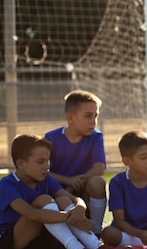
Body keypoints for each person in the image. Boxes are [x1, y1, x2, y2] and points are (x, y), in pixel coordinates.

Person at [0, 134, 131, 249]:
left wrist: (79, 208)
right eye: (40, 162)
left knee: (63, 199)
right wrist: (69, 217)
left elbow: (72, 198)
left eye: (48, 161)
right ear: (21, 164)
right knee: (44, 200)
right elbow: (31, 214)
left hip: (42, 244)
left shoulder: (46, 179)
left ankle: (98, 247)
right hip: (15, 248)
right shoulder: (8, 185)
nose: (46, 166)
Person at [45, 90, 108, 235]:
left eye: (95, 116)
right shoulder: (51, 138)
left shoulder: (96, 137)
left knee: (98, 182)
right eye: (88, 116)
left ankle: (96, 230)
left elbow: (99, 168)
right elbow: (43, 171)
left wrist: (77, 182)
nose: (93, 121)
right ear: (70, 118)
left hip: (82, 188)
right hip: (59, 189)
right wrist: (68, 181)